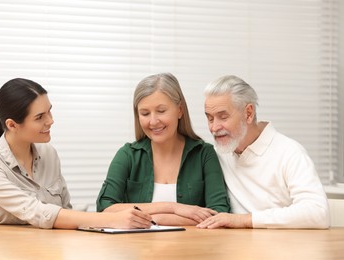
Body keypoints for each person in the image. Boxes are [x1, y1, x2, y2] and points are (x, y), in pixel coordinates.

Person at [0, 78, 153, 229]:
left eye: (49, 110)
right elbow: (38, 213)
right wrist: (111, 219)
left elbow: (65, 210)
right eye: (39, 117)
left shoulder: (48, 154)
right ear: (12, 125)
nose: (51, 120)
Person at [96, 73, 230, 226]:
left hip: (192, 248)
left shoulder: (204, 154)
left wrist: (157, 219)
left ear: (180, 110)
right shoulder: (127, 155)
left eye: (161, 111)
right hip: (138, 248)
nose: (153, 121)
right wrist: (173, 208)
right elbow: (105, 209)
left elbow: (218, 213)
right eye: (145, 113)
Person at [197, 75, 330, 229]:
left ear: (248, 113)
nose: (214, 128)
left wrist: (243, 220)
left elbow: (318, 213)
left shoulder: (289, 152)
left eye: (223, 117)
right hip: (235, 247)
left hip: (283, 247)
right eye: (210, 118)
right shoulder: (219, 153)